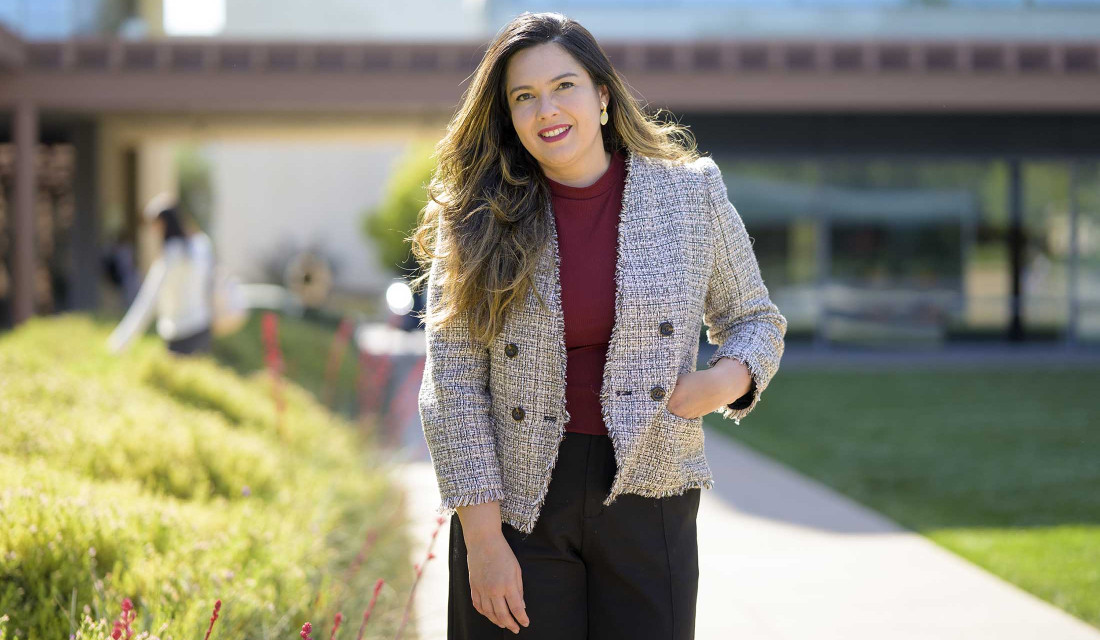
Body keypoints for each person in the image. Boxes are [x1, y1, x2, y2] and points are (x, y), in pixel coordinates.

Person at [410, 12, 787, 639]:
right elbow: (451, 385)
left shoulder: (691, 195)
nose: (546, 110)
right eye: (523, 97)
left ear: (603, 95)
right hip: (516, 508)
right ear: (508, 117)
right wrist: (482, 539)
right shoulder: (475, 218)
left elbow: (755, 320)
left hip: (653, 493)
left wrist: (720, 383)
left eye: (564, 87)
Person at [107, 194, 215, 356]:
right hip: (202, 327)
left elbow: (147, 301)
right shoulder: (202, 246)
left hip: (180, 334)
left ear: (163, 224)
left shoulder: (169, 258)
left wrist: (120, 341)